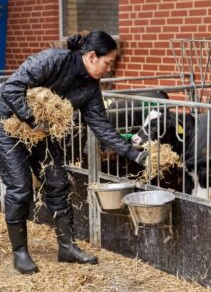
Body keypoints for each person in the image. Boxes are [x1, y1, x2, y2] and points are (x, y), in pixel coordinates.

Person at [0, 30, 148, 274]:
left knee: (58, 182)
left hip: (42, 133)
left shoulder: (90, 88)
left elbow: (101, 126)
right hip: (9, 126)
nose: (109, 69)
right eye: (107, 63)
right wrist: (30, 118)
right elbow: (10, 88)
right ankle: (20, 252)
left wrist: (132, 153)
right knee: (20, 187)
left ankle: (67, 247)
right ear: (91, 56)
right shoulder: (53, 60)